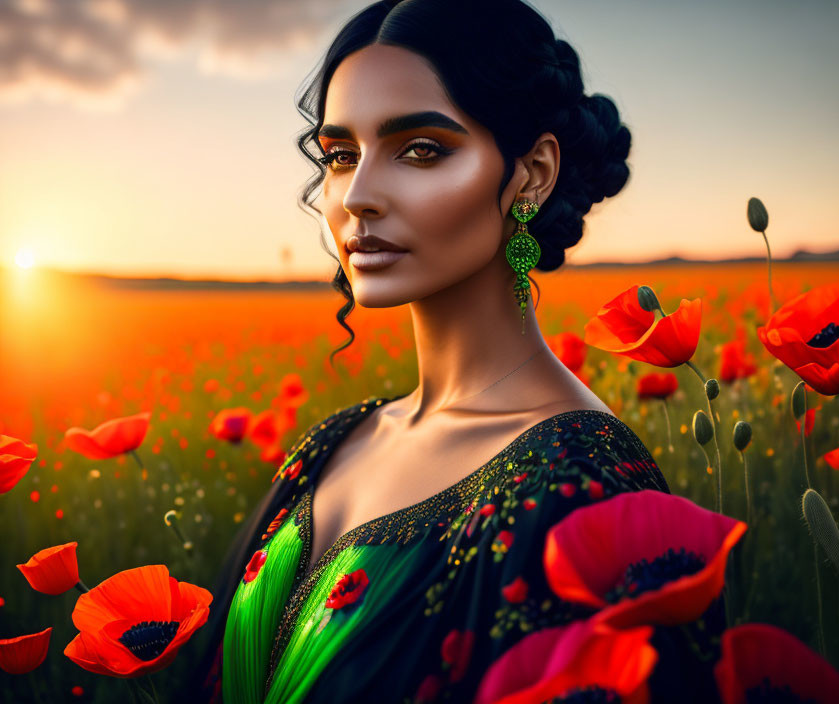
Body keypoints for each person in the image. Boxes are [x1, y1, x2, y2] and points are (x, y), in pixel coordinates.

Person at [186, 1, 715, 702]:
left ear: (532, 175)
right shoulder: (332, 444)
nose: (358, 198)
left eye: (421, 150)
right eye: (342, 156)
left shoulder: (582, 490)